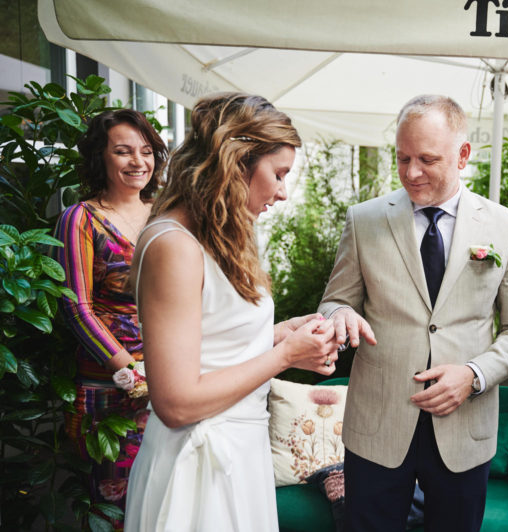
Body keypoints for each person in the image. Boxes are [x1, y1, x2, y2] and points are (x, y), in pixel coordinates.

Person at [319, 94, 508, 531]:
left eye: (427, 159)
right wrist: (337, 315)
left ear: (463, 155)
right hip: (378, 424)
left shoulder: (505, 225)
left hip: (464, 426)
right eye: (402, 158)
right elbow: (335, 299)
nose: (411, 172)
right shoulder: (364, 220)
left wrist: (474, 375)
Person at [123, 93, 340, 531]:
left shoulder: (221, 236)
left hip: (241, 453)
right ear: (236, 163)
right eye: (278, 174)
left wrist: (279, 334)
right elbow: (176, 403)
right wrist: (285, 356)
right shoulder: (173, 246)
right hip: (199, 468)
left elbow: (212, 342)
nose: (282, 192)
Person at [55, 108, 168, 526]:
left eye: (146, 151)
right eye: (123, 151)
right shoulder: (80, 218)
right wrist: (131, 372)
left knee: (166, 506)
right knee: (117, 511)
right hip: (109, 390)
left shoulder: (166, 213)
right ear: (100, 157)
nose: (138, 161)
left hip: (171, 380)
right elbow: (76, 307)